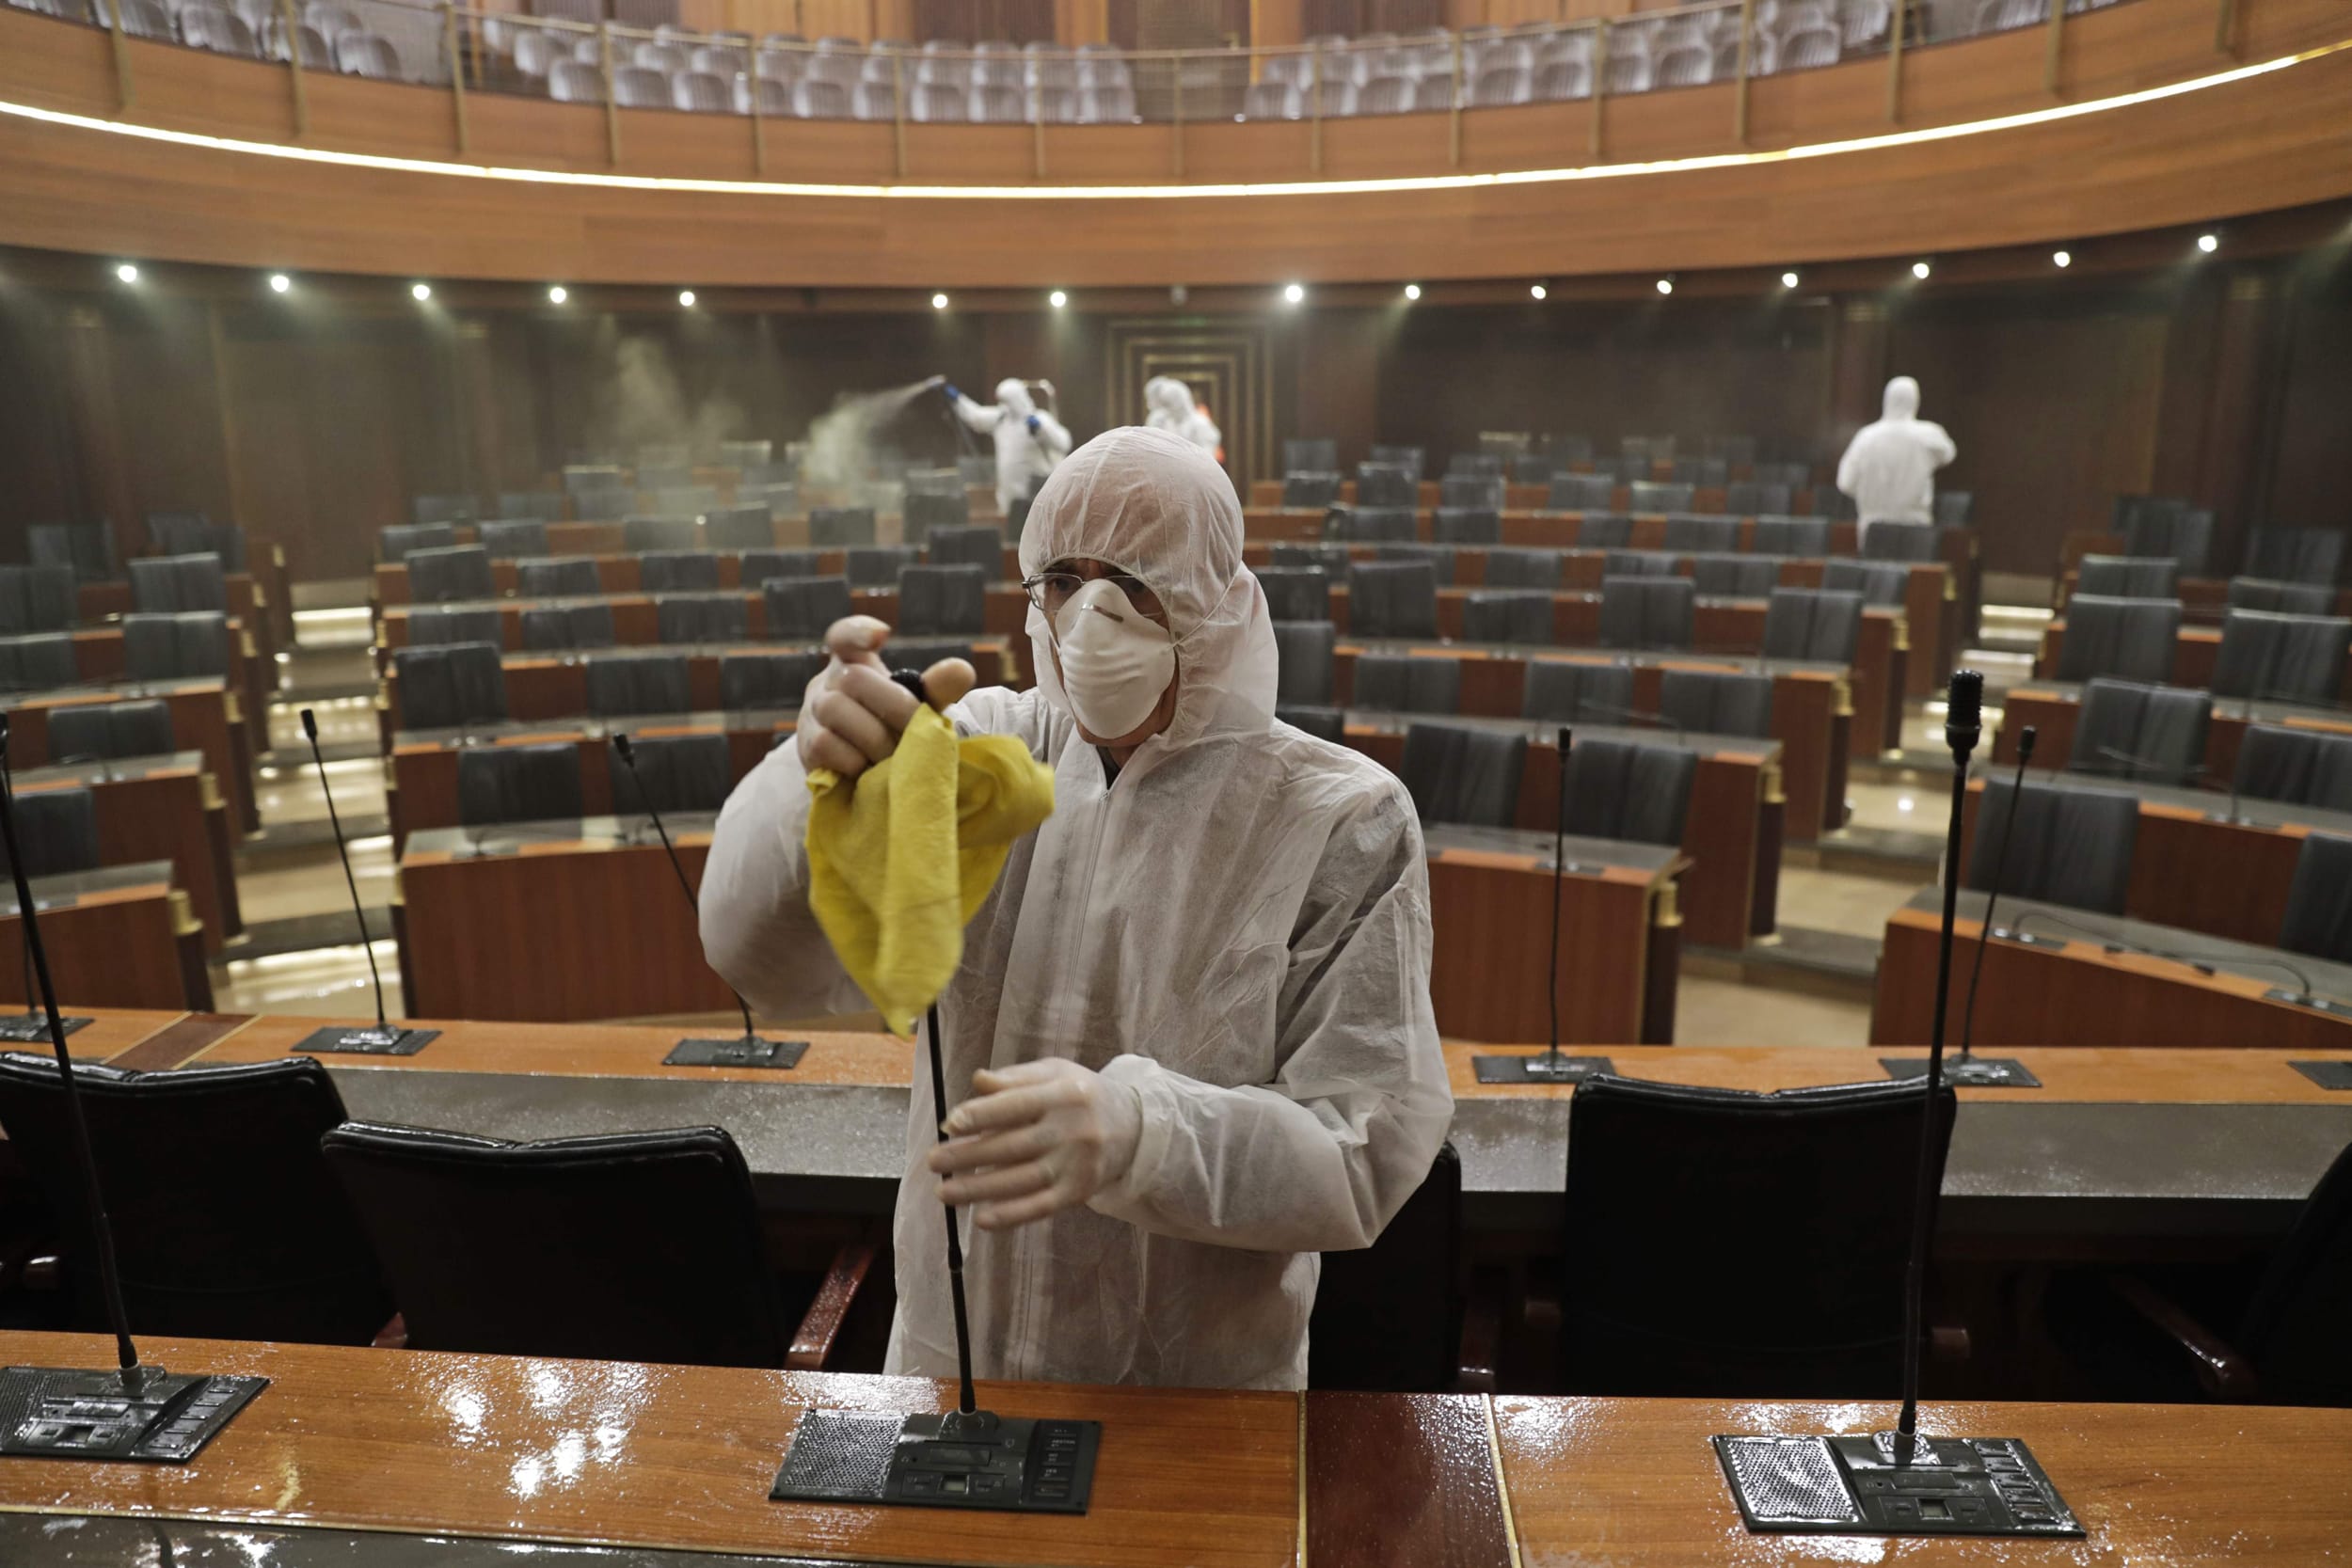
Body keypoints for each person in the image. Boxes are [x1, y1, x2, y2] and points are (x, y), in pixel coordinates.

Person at [700, 425, 1452, 1391]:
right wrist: (808, 775)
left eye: (1136, 581)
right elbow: (757, 955)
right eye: (1063, 580)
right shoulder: (981, 755)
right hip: (955, 1370)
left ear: (1215, 597)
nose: (1093, 614)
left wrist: (1143, 1132)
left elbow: (1364, 1150)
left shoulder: (1338, 814)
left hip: (1198, 1396)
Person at [1836, 375, 1956, 545]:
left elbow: (1845, 482)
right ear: (1915, 401)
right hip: (1915, 525)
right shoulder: (1928, 434)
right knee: (1914, 570)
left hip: (1872, 527)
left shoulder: (1866, 437)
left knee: (1875, 571)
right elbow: (1948, 454)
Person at [946, 378, 1072, 518]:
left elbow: (1063, 442)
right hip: (1008, 494)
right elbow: (977, 416)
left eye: (1009, 401)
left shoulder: (1039, 419)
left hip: (1036, 493)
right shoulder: (1001, 419)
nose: (1007, 406)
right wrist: (958, 400)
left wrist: (1041, 429)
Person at [1144, 374, 1221, 460]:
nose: (1167, 410)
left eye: (1168, 404)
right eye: (1165, 405)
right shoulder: (1164, 421)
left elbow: (1207, 458)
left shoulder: (1199, 424)